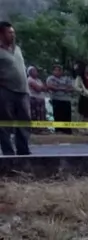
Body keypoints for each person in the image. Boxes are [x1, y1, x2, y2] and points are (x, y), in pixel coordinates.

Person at [0, 21, 30, 156]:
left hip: (23, 92)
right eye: (9, 32)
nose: (13, 35)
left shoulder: (17, 49)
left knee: (24, 121)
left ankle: (23, 151)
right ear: (1, 34)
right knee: (6, 123)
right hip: (6, 91)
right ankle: (8, 153)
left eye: (13, 32)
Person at [45, 64, 73, 133]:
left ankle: (67, 130)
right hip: (56, 99)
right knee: (58, 115)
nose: (58, 72)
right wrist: (63, 89)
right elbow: (51, 87)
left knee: (67, 115)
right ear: (53, 71)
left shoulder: (66, 78)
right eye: (56, 70)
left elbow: (71, 88)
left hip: (66, 99)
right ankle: (58, 130)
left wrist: (59, 88)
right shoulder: (51, 78)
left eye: (60, 70)